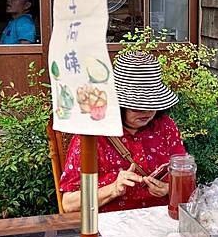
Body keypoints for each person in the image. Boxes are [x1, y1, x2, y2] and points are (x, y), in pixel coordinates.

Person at [60, 52, 187, 212]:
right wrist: (113, 189)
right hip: (109, 228)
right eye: (137, 105)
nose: (146, 111)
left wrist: (170, 189)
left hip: (161, 221)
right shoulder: (92, 134)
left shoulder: (165, 127)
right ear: (119, 104)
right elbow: (69, 204)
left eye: (152, 104)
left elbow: (187, 183)